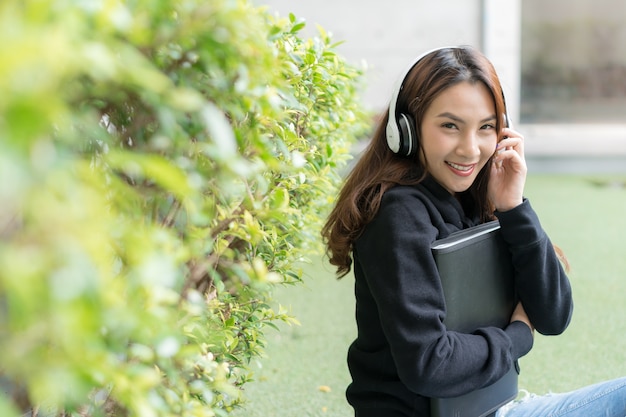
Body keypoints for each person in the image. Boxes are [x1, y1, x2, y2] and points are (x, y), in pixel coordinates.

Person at [321, 45, 626, 417]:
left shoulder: (481, 197)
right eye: (450, 125)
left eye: (486, 128)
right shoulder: (397, 215)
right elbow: (430, 364)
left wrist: (514, 208)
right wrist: (516, 337)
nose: (470, 150)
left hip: (490, 406)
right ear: (407, 128)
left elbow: (553, 314)